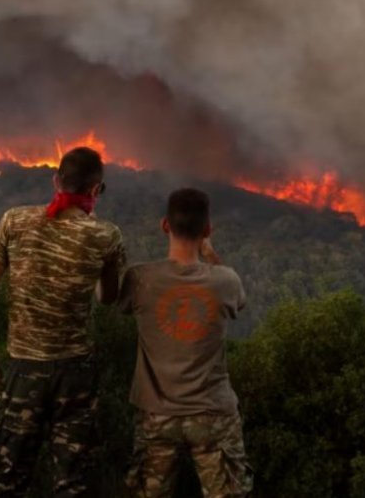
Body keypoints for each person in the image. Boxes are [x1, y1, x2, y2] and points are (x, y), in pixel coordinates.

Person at [0, 146, 126, 498]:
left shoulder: (14, 221)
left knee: (5, 482)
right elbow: (108, 297)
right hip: (75, 375)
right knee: (74, 485)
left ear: (56, 181)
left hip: (24, 370)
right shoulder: (106, 236)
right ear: (96, 190)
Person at [119, 188, 252, 498]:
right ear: (207, 230)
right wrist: (210, 253)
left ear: (165, 225)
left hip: (156, 416)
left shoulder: (140, 279)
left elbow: (112, 299)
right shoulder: (225, 281)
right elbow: (239, 302)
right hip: (213, 414)